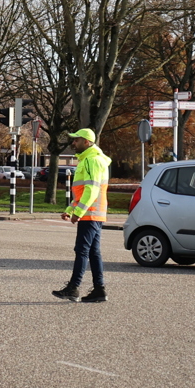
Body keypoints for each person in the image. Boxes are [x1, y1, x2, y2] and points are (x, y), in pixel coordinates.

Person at [53, 128, 113, 303]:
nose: (73, 143)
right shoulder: (91, 159)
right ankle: (99, 290)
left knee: (82, 250)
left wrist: (78, 212)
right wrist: (71, 209)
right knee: (93, 252)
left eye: (77, 140)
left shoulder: (91, 161)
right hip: (93, 213)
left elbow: (92, 190)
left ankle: (73, 288)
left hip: (90, 214)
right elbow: (82, 193)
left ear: (86, 142)